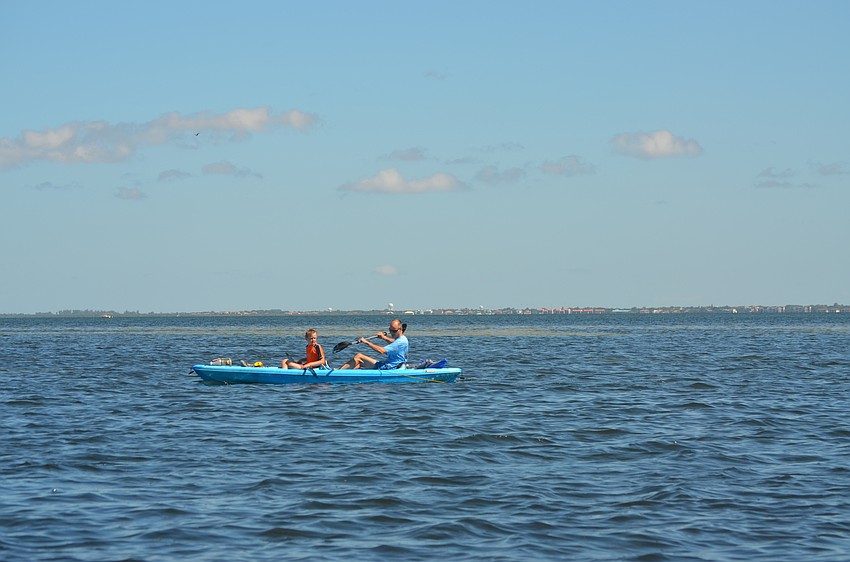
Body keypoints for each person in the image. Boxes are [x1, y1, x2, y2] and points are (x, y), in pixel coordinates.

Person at [338, 319, 408, 370]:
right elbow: (393, 342)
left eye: (394, 331)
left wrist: (366, 342)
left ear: (400, 329)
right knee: (358, 364)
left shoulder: (400, 342)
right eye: (390, 330)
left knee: (359, 357)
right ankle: (348, 376)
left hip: (390, 367)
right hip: (393, 365)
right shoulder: (402, 339)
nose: (392, 333)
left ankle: (338, 372)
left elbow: (382, 351)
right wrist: (384, 338)